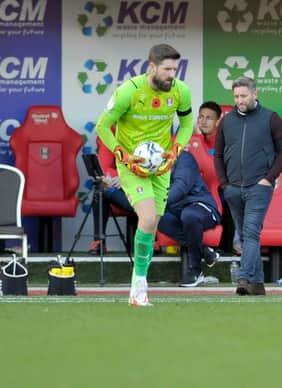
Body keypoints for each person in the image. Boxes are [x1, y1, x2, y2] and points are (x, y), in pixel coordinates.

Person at [95, 44, 193, 306]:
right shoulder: (129, 91)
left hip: (161, 165)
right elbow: (102, 126)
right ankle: (139, 283)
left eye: (175, 68)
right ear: (152, 67)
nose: (172, 74)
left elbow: (186, 124)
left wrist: (175, 151)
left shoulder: (181, 91)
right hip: (132, 164)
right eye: (167, 69)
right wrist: (122, 156)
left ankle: (138, 283)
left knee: (151, 225)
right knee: (148, 219)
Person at [214, 76, 282, 296]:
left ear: (255, 94)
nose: (239, 100)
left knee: (251, 233)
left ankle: (244, 278)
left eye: (243, 95)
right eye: (236, 96)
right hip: (233, 188)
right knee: (246, 236)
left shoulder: (271, 118)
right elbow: (217, 155)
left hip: (259, 187)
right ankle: (257, 283)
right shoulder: (226, 121)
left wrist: (268, 179)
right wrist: (224, 184)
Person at [158, 150, 221, 287]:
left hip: (200, 205)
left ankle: (195, 269)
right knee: (155, 218)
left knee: (189, 215)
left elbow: (181, 186)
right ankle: (205, 251)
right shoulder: (147, 163)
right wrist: (113, 191)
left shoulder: (183, 157)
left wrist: (156, 203)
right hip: (175, 209)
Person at [193, 101, 242, 255]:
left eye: (209, 118)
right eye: (201, 117)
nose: (203, 121)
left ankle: (228, 247)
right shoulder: (193, 141)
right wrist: (196, 139)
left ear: (218, 121)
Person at [88, 133, 135, 255]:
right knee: (101, 188)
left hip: (143, 186)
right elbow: (103, 167)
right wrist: (117, 177)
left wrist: (126, 178)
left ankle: (151, 241)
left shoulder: (145, 133)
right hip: (118, 188)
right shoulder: (112, 134)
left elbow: (153, 166)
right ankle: (99, 240)